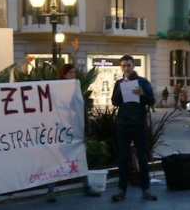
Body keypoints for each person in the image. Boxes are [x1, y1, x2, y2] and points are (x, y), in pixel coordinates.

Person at [46, 64, 101, 202]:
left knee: (80, 158)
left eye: (74, 72)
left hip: (75, 130)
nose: (73, 75)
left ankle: (86, 186)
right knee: (56, 159)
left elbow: (83, 112)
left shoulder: (76, 90)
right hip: (60, 130)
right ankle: (50, 189)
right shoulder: (56, 90)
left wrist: (87, 132)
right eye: (70, 72)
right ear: (63, 74)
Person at [111, 55, 157, 202]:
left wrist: (142, 94)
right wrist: (121, 88)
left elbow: (151, 100)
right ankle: (121, 189)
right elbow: (115, 102)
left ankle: (146, 189)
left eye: (128, 65)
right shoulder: (119, 82)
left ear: (133, 66)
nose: (126, 68)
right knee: (123, 158)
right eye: (123, 66)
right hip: (123, 124)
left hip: (138, 124)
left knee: (142, 157)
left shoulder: (143, 82)